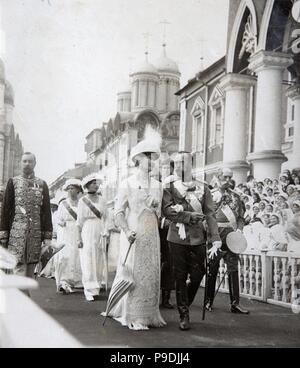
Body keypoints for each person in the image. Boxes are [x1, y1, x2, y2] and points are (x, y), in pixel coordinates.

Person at [104, 131, 166, 330]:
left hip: (151, 234)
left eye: (152, 157)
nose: (151, 161)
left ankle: (149, 314)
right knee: (133, 272)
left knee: (150, 272)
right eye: (147, 157)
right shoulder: (127, 183)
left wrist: (158, 208)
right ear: (137, 159)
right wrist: (127, 230)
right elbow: (118, 212)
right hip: (133, 232)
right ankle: (133, 315)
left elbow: (159, 213)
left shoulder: (158, 185)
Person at [162, 151, 221, 331]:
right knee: (179, 276)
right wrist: (189, 216)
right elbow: (167, 211)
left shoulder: (203, 187)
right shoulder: (170, 187)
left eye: (182, 162)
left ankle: (184, 302)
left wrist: (216, 238)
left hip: (197, 238)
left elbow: (210, 214)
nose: (178, 166)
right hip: (177, 237)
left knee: (198, 274)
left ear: (191, 164)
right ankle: (184, 314)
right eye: (176, 163)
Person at [0, 152, 52, 284]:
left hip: (35, 234)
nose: (27, 164)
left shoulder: (42, 184)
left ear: (35, 163)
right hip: (15, 234)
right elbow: (6, 209)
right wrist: (3, 234)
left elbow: (46, 210)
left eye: (30, 161)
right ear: (20, 163)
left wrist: (47, 236)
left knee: (29, 273)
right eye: (24, 161)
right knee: (18, 270)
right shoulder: (13, 182)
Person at [205, 168, 249, 314]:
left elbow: (241, 217)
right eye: (225, 177)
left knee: (233, 269)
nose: (228, 180)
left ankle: (235, 303)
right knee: (213, 269)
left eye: (230, 177)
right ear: (217, 177)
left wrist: (240, 229)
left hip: (232, 237)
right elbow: (206, 217)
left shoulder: (237, 196)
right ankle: (208, 301)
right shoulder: (210, 195)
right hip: (216, 236)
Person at [77, 174, 107, 301]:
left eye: (96, 183)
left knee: (99, 259)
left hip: (100, 229)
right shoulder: (82, 201)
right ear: (88, 185)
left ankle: (96, 287)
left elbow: (106, 217)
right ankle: (88, 289)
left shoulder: (102, 199)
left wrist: (106, 231)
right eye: (93, 183)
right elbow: (79, 221)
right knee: (88, 259)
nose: (96, 185)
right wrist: (79, 238)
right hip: (88, 229)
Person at [55, 179, 83, 294]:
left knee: (77, 255)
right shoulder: (63, 204)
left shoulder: (82, 203)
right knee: (66, 255)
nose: (71, 190)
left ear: (78, 190)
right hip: (66, 231)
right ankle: (64, 281)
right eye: (69, 188)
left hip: (78, 231)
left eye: (73, 188)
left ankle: (77, 280)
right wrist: (62, 223)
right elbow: (58, 218)